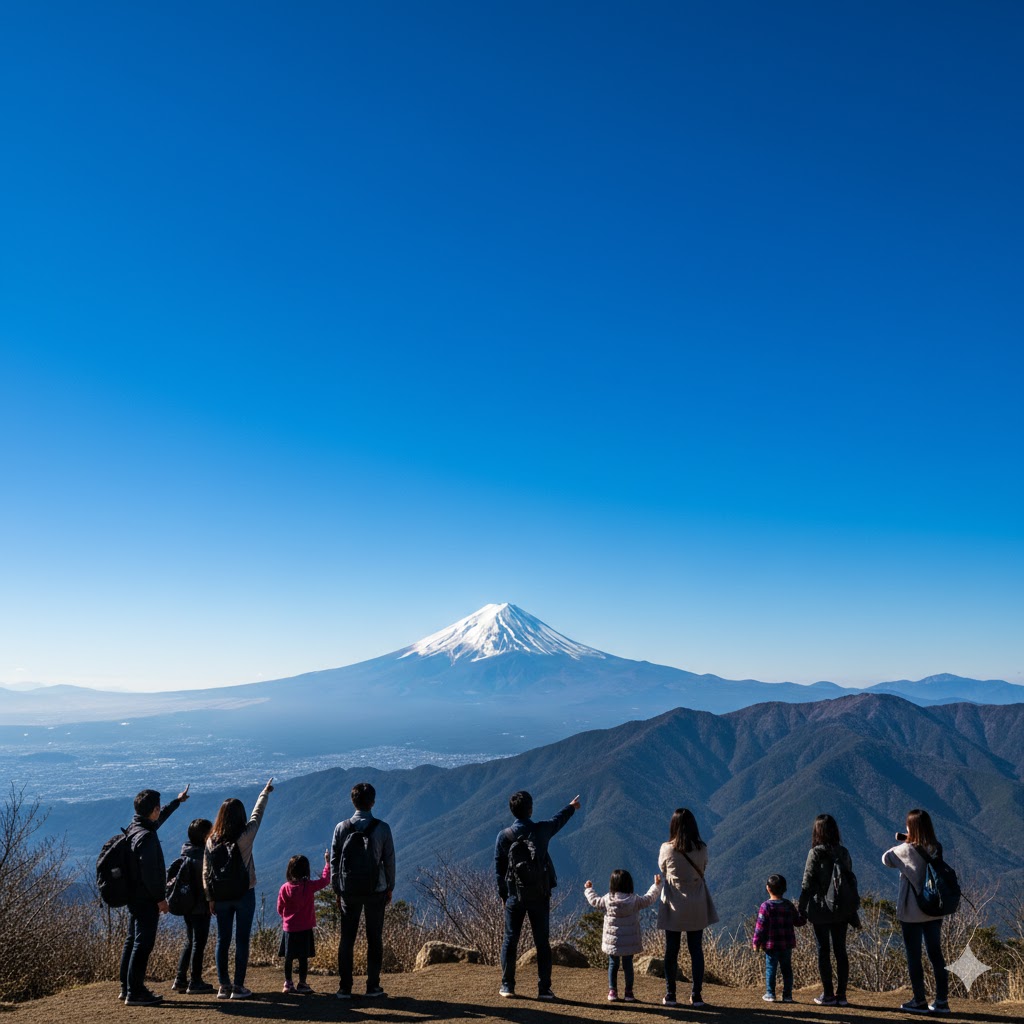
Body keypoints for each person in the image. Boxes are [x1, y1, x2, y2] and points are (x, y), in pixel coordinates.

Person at [495, 789, 581, 1001]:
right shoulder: (541, 830)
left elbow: (499, 869)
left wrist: (504, 895)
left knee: (510, 940)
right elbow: (558, 820)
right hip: (540, 895)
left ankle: (507, 985)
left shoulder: (504, 836)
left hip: (515, 896)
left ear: (512, 811)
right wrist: (571, 807)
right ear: (531, 809)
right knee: (542, 942)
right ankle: (544, 989)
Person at [118, 783, 190, 1006]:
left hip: (133, 895)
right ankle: (136, 992)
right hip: (146, 898)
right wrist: (160, 899)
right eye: (158, 808)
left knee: (132, 940)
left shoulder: (135, 827)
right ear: (154, 810)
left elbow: (160, 818)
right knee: (143, 944)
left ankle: (126, 988)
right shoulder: (147, 837)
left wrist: (177, 802)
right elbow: (151, 872)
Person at [204, 778, 274, 1000]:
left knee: (222, 940)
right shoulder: (245, 836)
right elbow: (257, 815)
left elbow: (206, 871)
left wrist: (209, 897)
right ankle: (238, 987)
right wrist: (264, 793)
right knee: (242, 940)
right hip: (244, 893)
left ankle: (223, 986)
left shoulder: (211, 840)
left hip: (220, 896)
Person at [330, 781, 396, 1000]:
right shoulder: (382, 828)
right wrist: (390, 887)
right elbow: (389, 861)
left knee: (347, 939)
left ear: (353, 801)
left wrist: (337, 889)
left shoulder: (341, 828)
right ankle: (372, 986)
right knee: (374, 938)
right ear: (373, 802)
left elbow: (334, 861)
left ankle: (344, 988)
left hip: (348, 890)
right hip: (376, 890)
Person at [883, 809, 951, 1015]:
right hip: (934, 909)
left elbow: (886, 859)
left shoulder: (903, 850)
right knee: (936, 955)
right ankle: (942, 1001)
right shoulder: (936, 847)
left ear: (910, 827)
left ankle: (919, 1000)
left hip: (912, 911)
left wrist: (905, 839)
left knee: (914, 956)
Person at [657, 807, 718, 1008]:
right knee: (696, 950)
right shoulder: (702, 848)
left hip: (674, 903)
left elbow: (662, 868)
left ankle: (671, 994)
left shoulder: (667, 848)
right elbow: (704, 867)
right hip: (697, 902)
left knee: (671, 950)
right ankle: (696, 995)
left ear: (673, 825)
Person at [797, 813, 859, 1007]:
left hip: (820, 908)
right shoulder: (843, 852)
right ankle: (842, 995)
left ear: (817, 831)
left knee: (823, 950)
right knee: (841, 950)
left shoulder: (815, 853)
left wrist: (801, 907)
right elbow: (849, 878)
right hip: (841, 909)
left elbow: (807, 882)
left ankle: (828, 994)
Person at [584, 869, 661, 1002]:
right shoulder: (635, 900)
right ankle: (629, 992)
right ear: (629, 884)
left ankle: (612, 991)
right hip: (629, 941)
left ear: (612, 884)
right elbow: (649, 898)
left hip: (612, 940)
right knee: (628, 965)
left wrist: (589, 889)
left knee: (613, 964)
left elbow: (594, 901)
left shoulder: (607, 899)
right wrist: (656, 885)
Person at [277, 850, 332, 993]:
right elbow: (325, 881)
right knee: (303, 957)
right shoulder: (309, 886)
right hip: (305, 928)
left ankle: (288, 983)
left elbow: (280, 908)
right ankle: (302, 983)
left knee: (288, 957)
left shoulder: (284, 888)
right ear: (306, 870)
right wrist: (327, 863)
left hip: (289, 929)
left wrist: (286, 919)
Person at [171, 817, 214, 995]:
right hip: (200, 908)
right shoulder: (202, 858)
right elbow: (207, 885)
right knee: (198, 943)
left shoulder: (186, 853)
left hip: (186, 905)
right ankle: (195, 981)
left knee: (190, 941)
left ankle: (180, 979)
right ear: (205, 836)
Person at [752, 873, 806, 1003]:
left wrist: (756, 942)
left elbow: (760, 927)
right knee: (787, 970)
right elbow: (798, 922)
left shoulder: (765, 906)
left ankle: (770, 994)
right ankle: (787, 995)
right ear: (785, 889)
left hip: (771, 945)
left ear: (768, 888)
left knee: (771, 969)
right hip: (786, 944)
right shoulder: (788, 905)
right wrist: (805, 915)